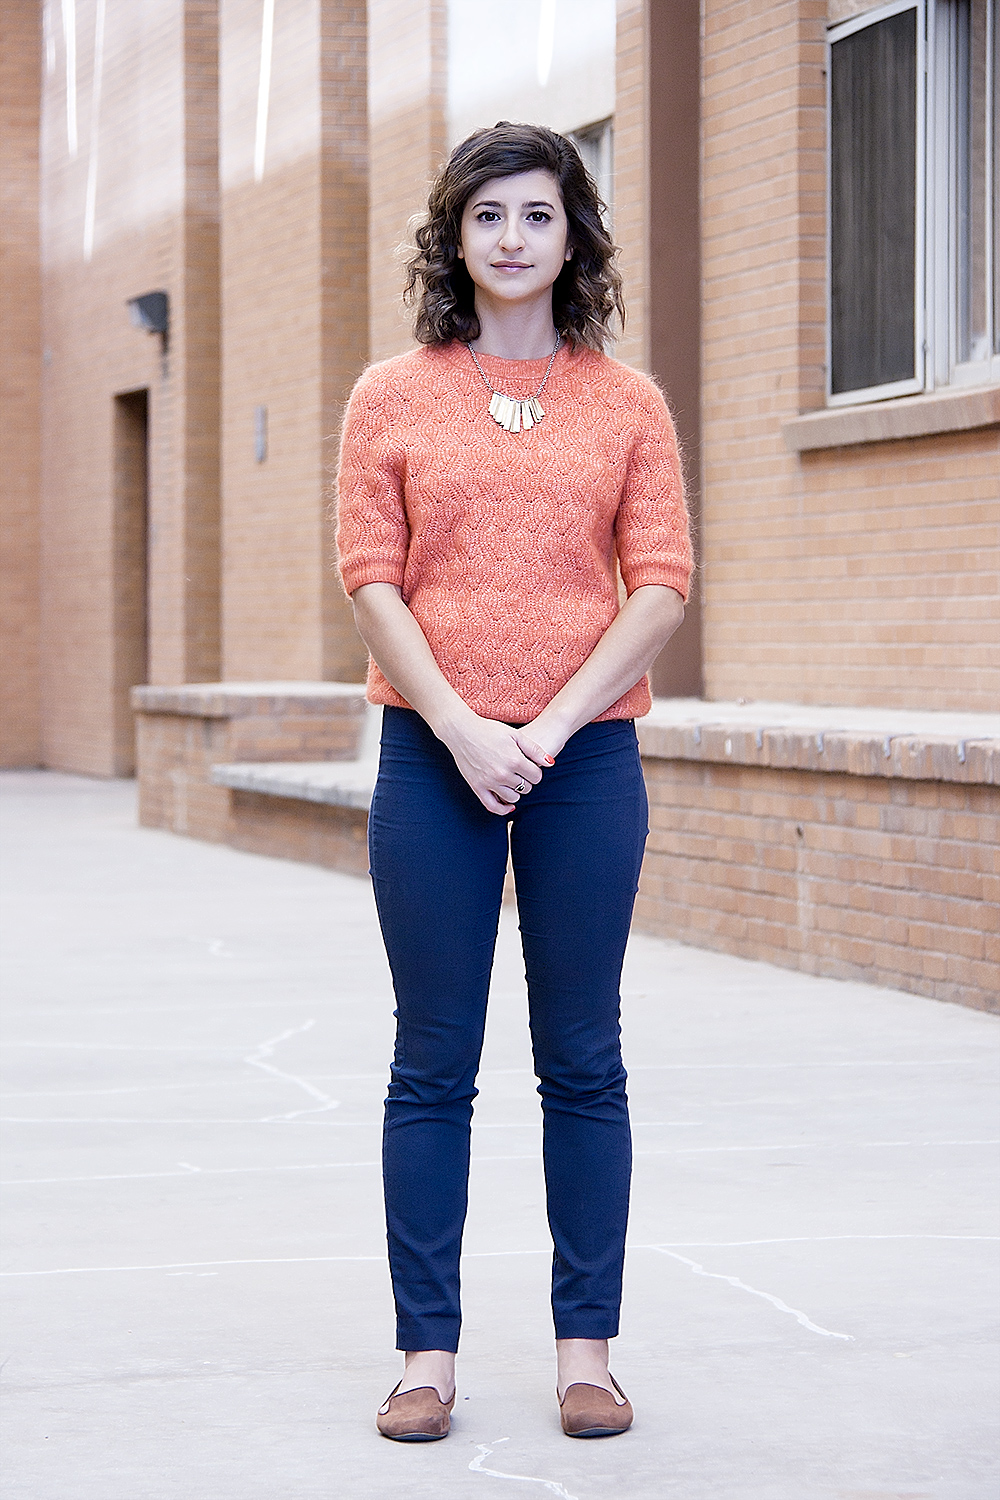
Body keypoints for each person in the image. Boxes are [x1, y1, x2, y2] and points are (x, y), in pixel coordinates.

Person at [336, 121, 692, 1442]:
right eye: (488, 215)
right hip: (433, 756)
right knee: (432, 1063)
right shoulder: (391, 395)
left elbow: (661, 585)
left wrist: (542, 725)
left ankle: (585, 1355)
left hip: (584, 755)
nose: (512, 238)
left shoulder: (628, 403)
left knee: (583, 1060)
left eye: (538, 214)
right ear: (456, 236)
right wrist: (465, 727)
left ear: (572, 236)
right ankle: (425, 1359)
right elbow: (371, 576)